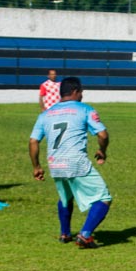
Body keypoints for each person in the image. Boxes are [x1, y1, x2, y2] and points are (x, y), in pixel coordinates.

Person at [29, 76, 112, 249]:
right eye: (81, 92)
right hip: (75, 161)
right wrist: (102, 151)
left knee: (65, 197)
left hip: (55, 163)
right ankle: (85, 235)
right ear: (75, 92)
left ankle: (65, 233)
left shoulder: (45, 114)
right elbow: (103, 135)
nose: (82, 95)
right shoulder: (84, 109)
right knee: (103, 198)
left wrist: (36, 166)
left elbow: (33, 142)